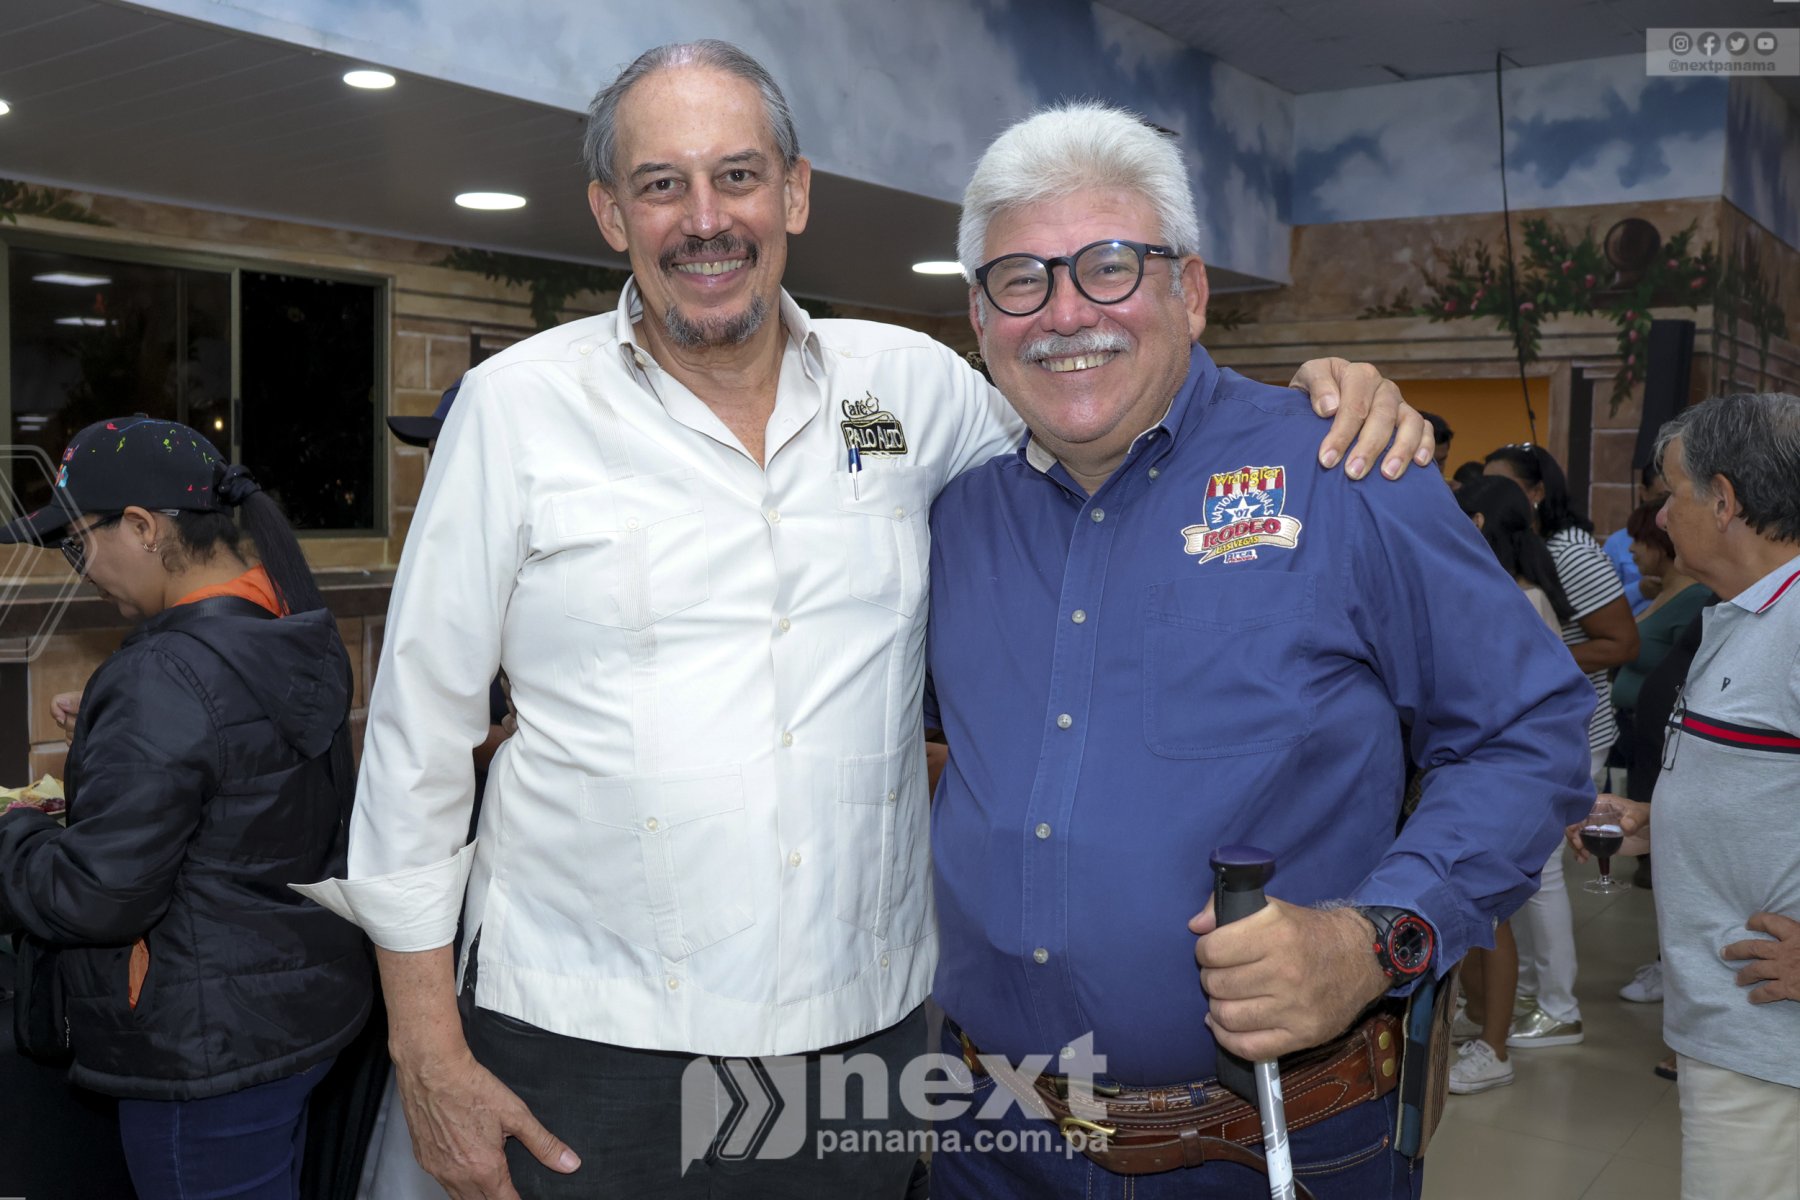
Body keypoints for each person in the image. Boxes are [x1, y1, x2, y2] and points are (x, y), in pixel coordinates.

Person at [291, 41, 1435, 1200]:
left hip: (862, 1039)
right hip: (590, 1039)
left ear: (794, 192)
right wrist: (425, 1048)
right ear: (609, 212)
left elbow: (1103, 409)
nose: (705, 219)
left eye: (738, 176)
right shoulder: (518, 410)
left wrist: (1307, 404)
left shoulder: (906, 390)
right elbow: (417, 741)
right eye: (662, 184)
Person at [923, 102, 1594, 1198]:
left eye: (1109, 266)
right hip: (989, 1145)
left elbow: (1531, 730)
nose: (1064, 313)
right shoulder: (956, 519)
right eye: (1020, 279)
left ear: (1189, 291)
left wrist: (1374, 938)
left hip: (1278, 1147)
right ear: (979, 315)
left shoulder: (1341, 469)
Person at [0, 416, 370, 1200]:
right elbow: (240, 782)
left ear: (142, 528)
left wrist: (15, 833)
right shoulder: (288, 627)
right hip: (292, 1010)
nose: (80, 571)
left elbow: (98, 895)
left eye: (76, 544)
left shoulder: (164, 675)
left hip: (205, 1047)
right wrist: (122, 739)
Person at [1565, 393, 1800, 1199]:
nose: (1661, 517)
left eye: (1673, 493)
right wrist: (1657, 822)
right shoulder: (1743, 615)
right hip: (1729, 1029)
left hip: (1772, 1046)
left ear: (1725, 500)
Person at [1484, 442, 1639, 1049]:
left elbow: (1621, 642)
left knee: (1542, 872)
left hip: (1570, 736)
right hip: (1545, 736)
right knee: (1531, 874)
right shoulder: (1526, 555)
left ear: (1536, 492)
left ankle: (1558, 1007)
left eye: (1504, 484)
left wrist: (1536, 664)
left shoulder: (1570, 553)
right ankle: (1530, 993)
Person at [1444, 478, 1574, 1095]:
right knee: (1467, 908)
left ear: (1475, 523)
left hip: (1496, 770)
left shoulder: (1520, 598)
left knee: (1491, 912)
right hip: (1466, 766)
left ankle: (1495, 1045)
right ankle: (1479, 1018)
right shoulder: (1484, 587)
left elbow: (1524, 697)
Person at [1602, 462, 1672, 615]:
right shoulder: (1616, 543)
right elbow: (1600, 602)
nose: (1666, 506)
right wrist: (1639, 590)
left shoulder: (1685, 539)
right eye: (1661, 497)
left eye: (1672, 497)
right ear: (1644, 493)